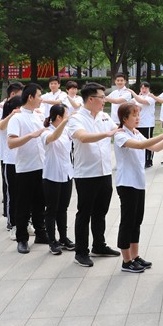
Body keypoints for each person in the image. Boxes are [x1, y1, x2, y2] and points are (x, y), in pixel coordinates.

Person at [113, 102, 163, 273]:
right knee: (127, 221)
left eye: (138, 114)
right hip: (127, 184)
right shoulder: (120, 135)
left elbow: (154, 147)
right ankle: (126, 261)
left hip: (138, 183)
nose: (138, 118)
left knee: (136, 221)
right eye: (134, 115)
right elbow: (140, 146)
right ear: (124, 118)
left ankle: (135, 256)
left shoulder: (136, 132)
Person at [67, 82, 121, 267]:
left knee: (101, 212)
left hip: (104, 171)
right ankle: (81, 252)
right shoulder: (76, 118)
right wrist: (107, 134)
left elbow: (117, 131)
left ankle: (99, 245)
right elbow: (83, 137)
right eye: (102, 97)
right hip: (86, 174)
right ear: (91, 99)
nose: (104, 100)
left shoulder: (104, 116)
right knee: (84, 213)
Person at [6, 83, 50, 254]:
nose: (41, 99)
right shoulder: (17, 118)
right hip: (25, 168)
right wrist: (31, 135)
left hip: (41, 165)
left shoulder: (37, 116)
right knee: (23, 205)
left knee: (40, 202)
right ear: (30, 97)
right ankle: (22, 239)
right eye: (39, 96)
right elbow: (11, 143)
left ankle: (41, 233)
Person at [0, 81, 24, 230]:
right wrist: (5, 120)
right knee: (9, 188)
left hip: (22, 157)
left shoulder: (23, 109)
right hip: (7, 155)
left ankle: (22, 219)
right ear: (13, 94)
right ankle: (10, 218)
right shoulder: (0, 108)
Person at [41, 104, 74, 255]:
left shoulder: (67, 130)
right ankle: (52, 241)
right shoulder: (46, 131)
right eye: (66, 114)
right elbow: (53, 138)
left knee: (63, 208)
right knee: (52, 209)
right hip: (52, 175)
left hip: (66, 174)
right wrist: (66, 122)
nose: (68, 116)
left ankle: (63, 238)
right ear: (59, 117)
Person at [135, 81, 158, 168]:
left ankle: (149, 160)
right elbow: (132, 104)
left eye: (145, 88)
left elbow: (142, 101)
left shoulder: (151, 97)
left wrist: (132, 93)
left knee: (148, 142)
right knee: (140, 143)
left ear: (149, 89)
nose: (144, 90)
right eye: (142, 88)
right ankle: (141, 160)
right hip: (138, 124)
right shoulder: (137, 97)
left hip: (147, 124)